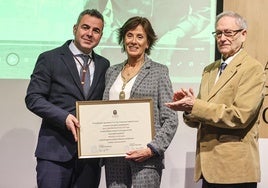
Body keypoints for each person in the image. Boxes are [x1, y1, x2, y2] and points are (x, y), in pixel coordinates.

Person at [166, 11, 265, 188]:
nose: (222, 38)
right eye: (218, 33)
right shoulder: (209, 70)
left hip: (235, 170)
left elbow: (239, 116)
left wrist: (195, 105)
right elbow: (201, 117)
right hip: (208, 167)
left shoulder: (253, 69)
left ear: (243, 35)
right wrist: (189, 109)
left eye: (229, 32)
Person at [25, 9, 110, 188]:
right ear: (75, 28)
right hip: (55, 154)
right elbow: (33, 97)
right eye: (85, 27)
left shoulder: (104, 64)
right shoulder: (50, 58)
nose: (89, 34)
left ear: (101, 35)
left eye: (96, 31)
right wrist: (63, 117)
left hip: (90, 157)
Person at [102, 16, 178, 187]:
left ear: (148, 43)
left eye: (140, 36)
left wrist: (152, 149)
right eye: (129, 35)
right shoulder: (111, 72)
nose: (133, 41)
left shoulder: (159, 72)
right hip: (115, 159)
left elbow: (171, 118)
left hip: (146, 159)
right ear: (123, 39)